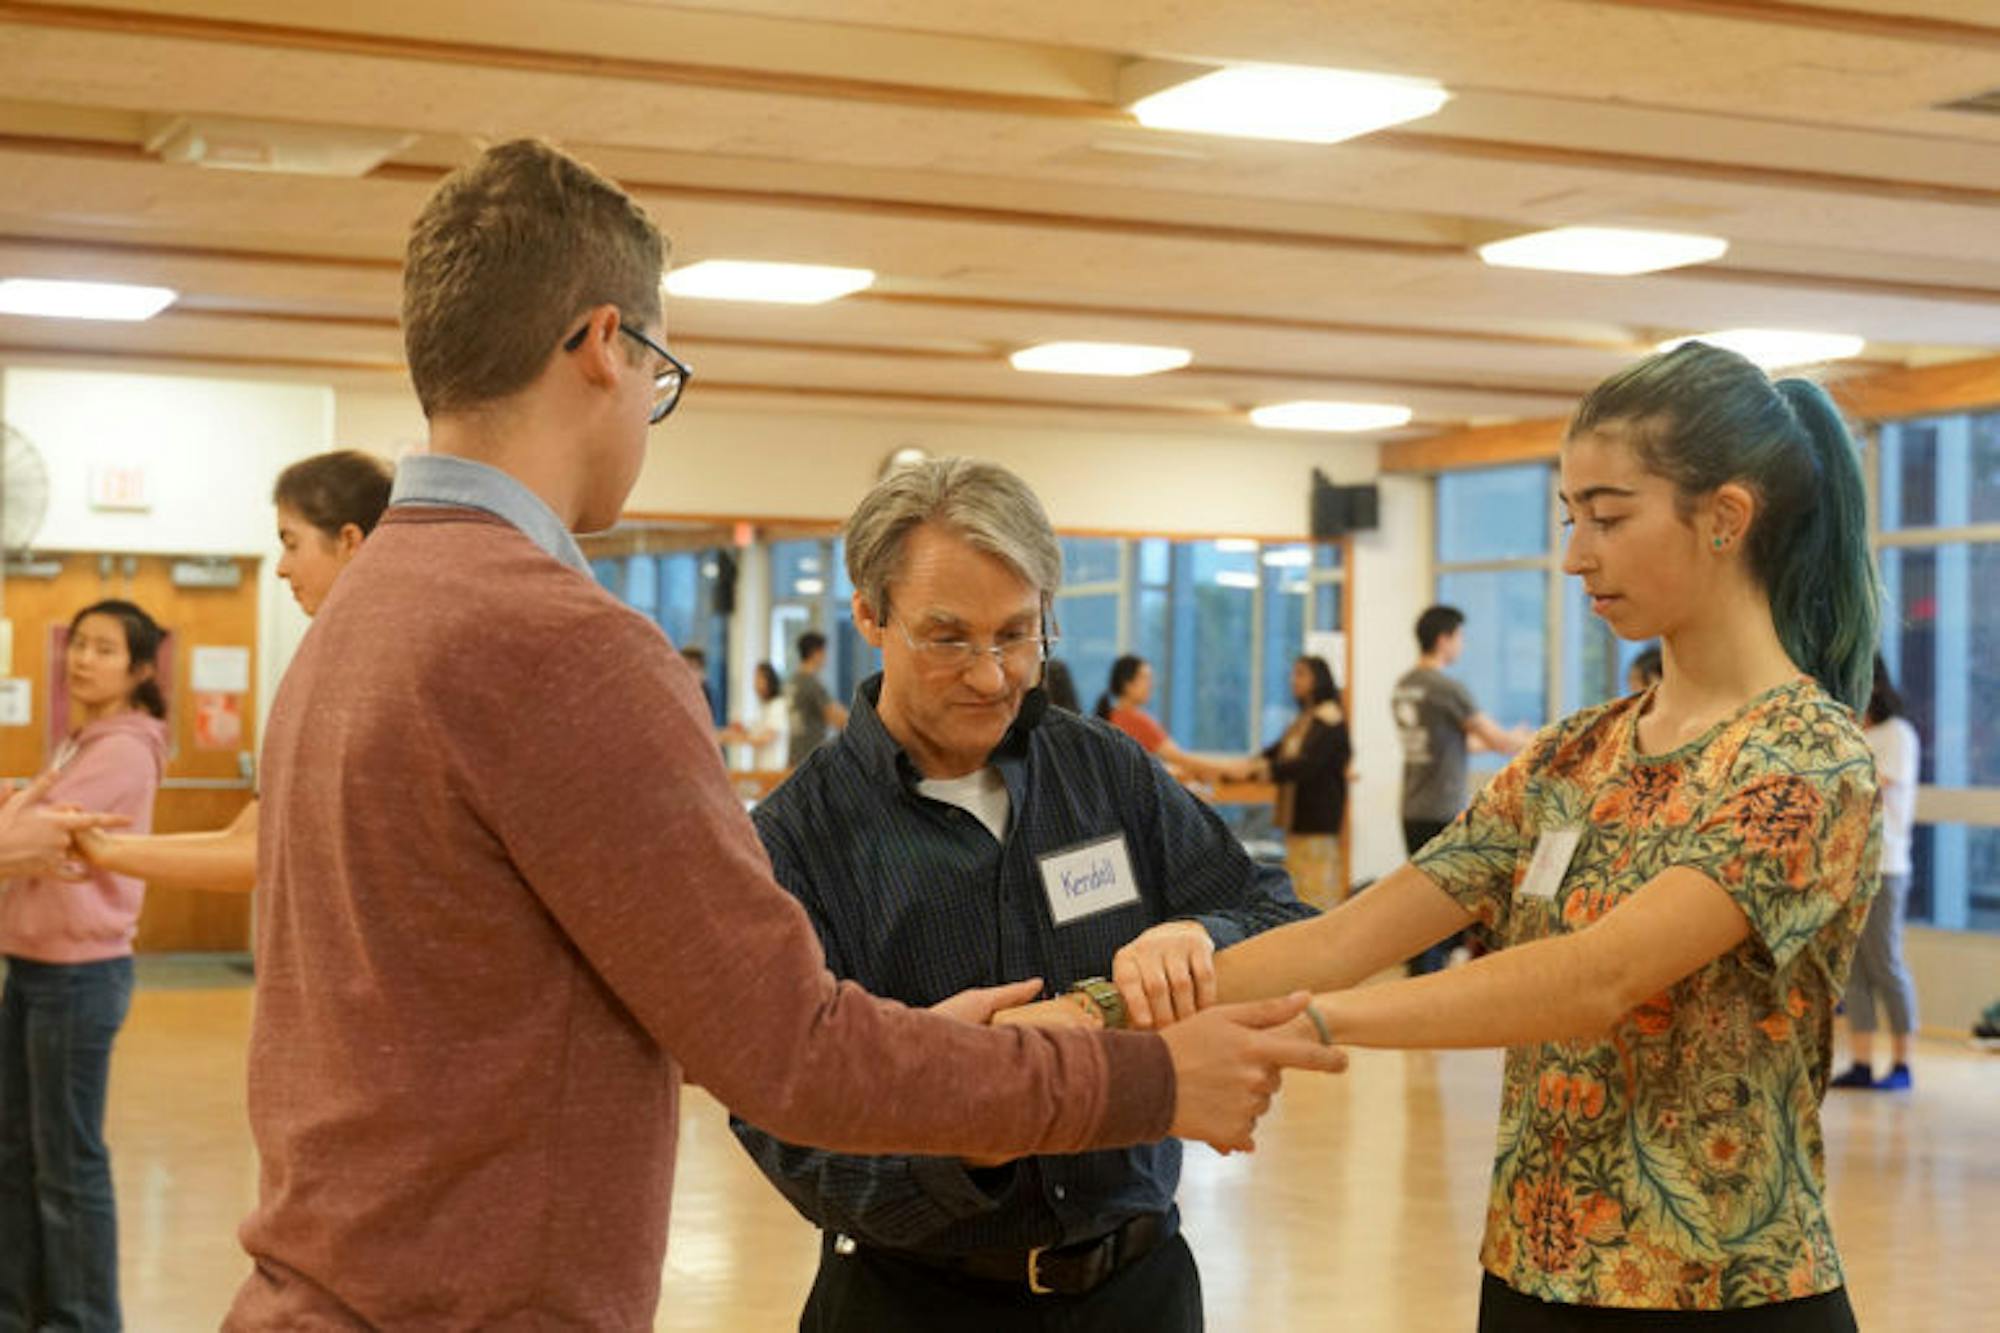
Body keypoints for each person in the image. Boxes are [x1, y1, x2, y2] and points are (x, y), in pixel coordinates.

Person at [225, 139, 1341, 1330]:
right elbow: (789, 1054)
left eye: (1018, 635)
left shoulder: (358, 620)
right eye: (658, 374)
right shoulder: (564, 647)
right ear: (603, 344)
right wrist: (1137, 1078)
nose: (991, 673)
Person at [1122, 342, 1884, 1329]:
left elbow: (1595, 976)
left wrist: (1313, 1023)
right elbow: (1344, 936)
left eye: (1608, 517)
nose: (1575, 556)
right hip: (1531, 1273)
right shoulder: (1572, 756)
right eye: (1571, 519)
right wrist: (1084, 1016)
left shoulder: (1806, 758)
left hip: (1724, 1292)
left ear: (1724, 518)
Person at [733, 458, 1320, 1331]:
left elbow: (1283, 919)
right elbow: (791, 1130)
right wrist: (972, 1116)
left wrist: (1201, 932)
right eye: (948, 638)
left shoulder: (1104, 770)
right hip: (916, 1301)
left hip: (1138, 1289)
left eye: (1018, 634)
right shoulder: (792, 842)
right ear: (870, 616)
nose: (992, 675)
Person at [71, 450, 393, 892]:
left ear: (349, 541)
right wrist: (103, 848)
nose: (281, 568)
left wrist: (102, 849)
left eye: (291, 543)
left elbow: (258, 853)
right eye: (79, 645)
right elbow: (245, 839)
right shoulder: (330, 660)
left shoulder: (372, 672)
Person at [1, 599, 171, 1331]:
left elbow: (36, 832)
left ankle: (83, 1320)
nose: (82, 659)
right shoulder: (80, 742)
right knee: (15, 1152)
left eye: (104, 649)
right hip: (32, 963)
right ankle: (19, 1309)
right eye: (79, 644)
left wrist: (16, 814)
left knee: (68, 1163)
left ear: (139, 669)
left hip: (78, 974)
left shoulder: (125, 748)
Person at [1393, 605, 1533, 973]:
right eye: (1460, 637)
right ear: (1444, 639)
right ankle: (1428, 980)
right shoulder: (1446, 688)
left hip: (1412, 806)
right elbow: (1499, 741)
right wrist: (1525, 739)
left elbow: (1453, 743)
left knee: (1420, 899)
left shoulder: (1406, 686)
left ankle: (1420, 976)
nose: (1462, 645)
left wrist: (1504, 740)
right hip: (1441, 807)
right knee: (1443, 904)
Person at [1831, 655, 1920, 1092]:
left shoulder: (1897, 733)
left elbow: (1879, 782)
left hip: (1886, 865)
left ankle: (1903, 1064)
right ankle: (1862, 1063)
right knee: (1853, 970)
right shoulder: (1856, 734)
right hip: (1850, 865)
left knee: (1885, 964)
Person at [1234, 655, 1352, 910]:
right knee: (1300, 888)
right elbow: (1274, 753)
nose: (1293, 680)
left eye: (1301, 674)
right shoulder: (1304, 720)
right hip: (1298, 820)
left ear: (1319, 679)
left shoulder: (1329, 719)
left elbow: (1306, 765)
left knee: (1318, 892)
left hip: (1318, 819)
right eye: (1293, 674)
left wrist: (1263, 770)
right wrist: (1248, 767)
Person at [1093, 655, 1234, 784]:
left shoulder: (1111, 715)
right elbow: (1181, 758)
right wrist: (1230, 768)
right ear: (1127, 684)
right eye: (1145, 678)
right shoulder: (1136, 720)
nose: (1151, 685)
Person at [788, 630, 850, 767]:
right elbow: (837, 718)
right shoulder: (811, 684)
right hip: (810, 757)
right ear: (816, 653)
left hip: (794, 755)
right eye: (824, 652)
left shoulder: (793, 681)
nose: (826, 657)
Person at [728, 660, 790, 770]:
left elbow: (766, 738)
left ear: (769, 680)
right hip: (761, 768)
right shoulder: (764, 707)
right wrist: (741, 730)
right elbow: (754, 731)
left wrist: (739, 738)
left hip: (773, 769)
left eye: (759, 678)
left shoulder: (778, 706)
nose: (755, 683)